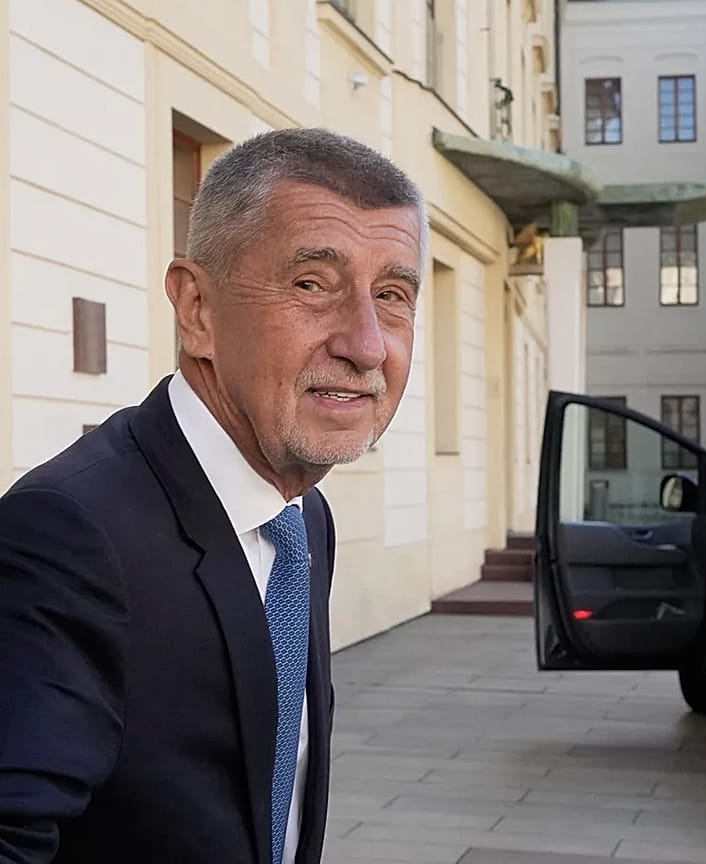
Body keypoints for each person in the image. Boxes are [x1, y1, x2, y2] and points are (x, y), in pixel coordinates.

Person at [0, 128, 425, 864]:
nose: (366, 344)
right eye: (312, 284)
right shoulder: (67, 536)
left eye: (391, 295)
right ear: (196, 308)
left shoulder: (303, 515)